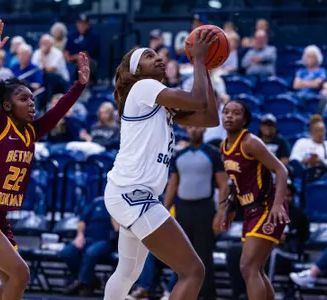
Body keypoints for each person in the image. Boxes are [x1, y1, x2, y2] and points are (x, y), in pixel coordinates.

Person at [0, 20, 90, 300]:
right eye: (23, 98)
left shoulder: (31, 131)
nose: (31, 103)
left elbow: (58, 110)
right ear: (6, 105)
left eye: (32, 98)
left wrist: (79, 85)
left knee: (12, 281)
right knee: (21, 274)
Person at [103, 28, 220, 300]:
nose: (157, 58)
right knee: (193, 270)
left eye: (157, 54)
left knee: (127, 273)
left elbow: (210, 117)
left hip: (131, 193)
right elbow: (198, 100)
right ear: (136, 70)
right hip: (132, 193)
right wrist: (200, 61)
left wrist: (206, 67)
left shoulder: (160, 104)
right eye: (148, 56)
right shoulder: (143, 87)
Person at [218, 99, 290, 300]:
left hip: (268, 207)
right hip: (250, 210)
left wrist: (277, 205)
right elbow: (237, 183)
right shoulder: (224, 147)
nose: (229, 116)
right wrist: (229, 210)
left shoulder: (250, 142)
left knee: (248, 267)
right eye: (226, 112)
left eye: (236, 113)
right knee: (255, 270)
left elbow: (281, 170)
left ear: (245, 120)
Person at [162, 126, 229, 300]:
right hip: (183, 209)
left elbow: (223, 185)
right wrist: (163, 210)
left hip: (204, 209)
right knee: (182, 255)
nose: (194, 130)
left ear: (204, 129)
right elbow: (172, 185)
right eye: (191, 127)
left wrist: (220, 212)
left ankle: (207, 296)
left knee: (203, 255)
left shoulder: (213, 153)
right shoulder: (179, 155)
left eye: (197, 127)